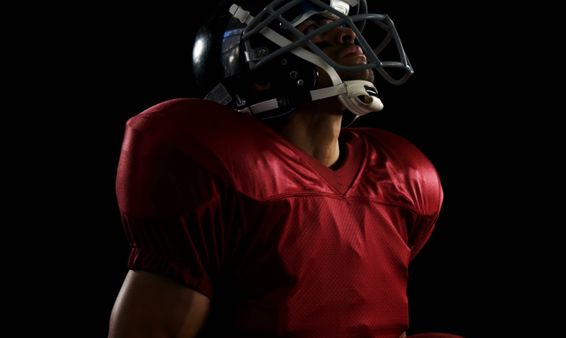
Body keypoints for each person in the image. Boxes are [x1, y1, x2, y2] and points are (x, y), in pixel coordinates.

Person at [108, 0, 460, 337]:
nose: (348, 35)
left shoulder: (400, 176)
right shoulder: (216, 167)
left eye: (342, 23)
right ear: (260, 73)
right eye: (313, 27)